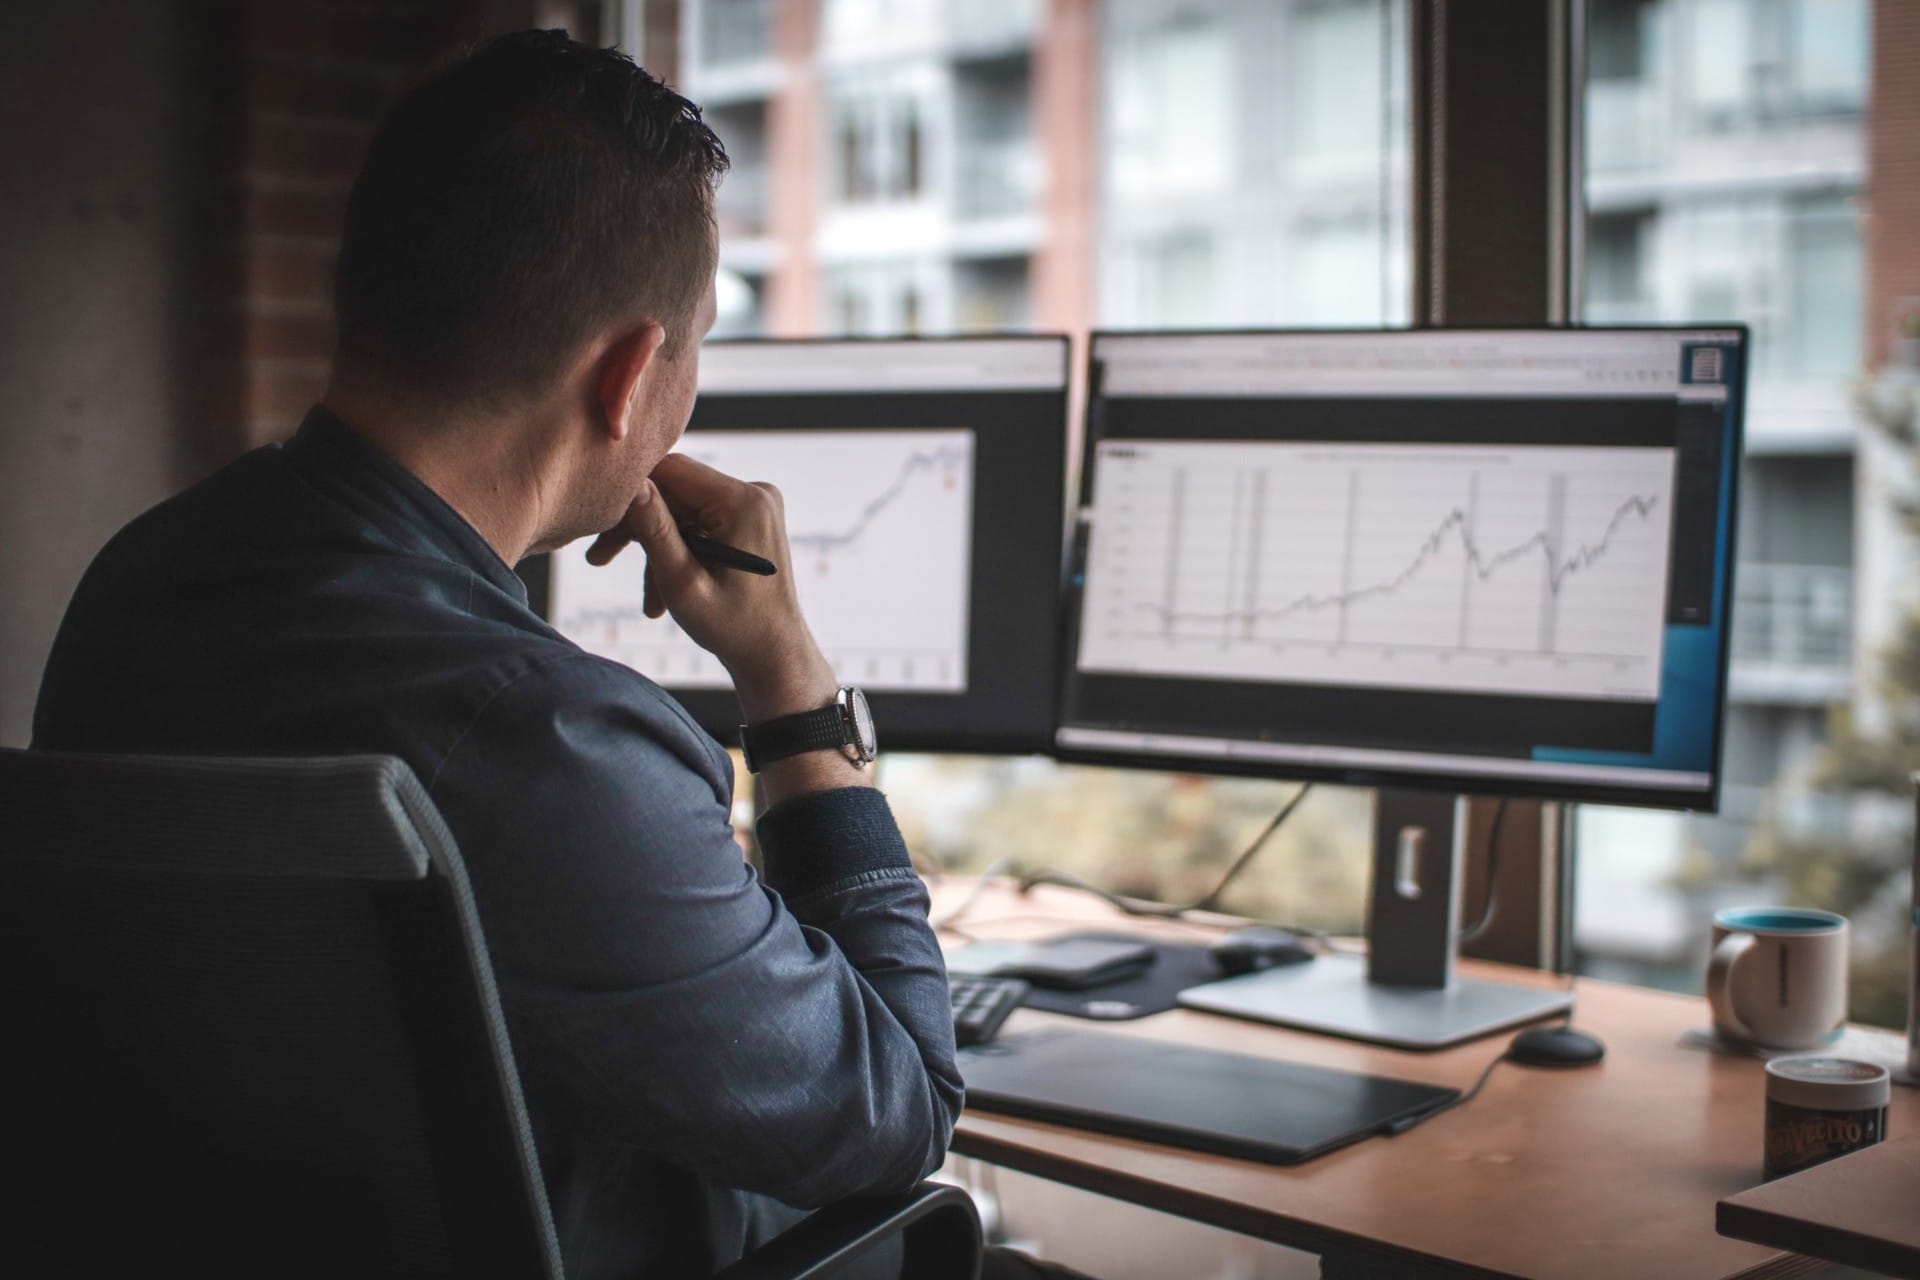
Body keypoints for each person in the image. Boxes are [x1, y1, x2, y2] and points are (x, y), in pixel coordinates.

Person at [34, 29, 1085, 1280]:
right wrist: (793, 686)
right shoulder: (549, 736)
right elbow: (901, 1109)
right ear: (632, 376)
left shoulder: (134, 583)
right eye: (695, 347)